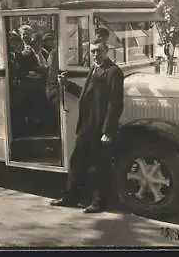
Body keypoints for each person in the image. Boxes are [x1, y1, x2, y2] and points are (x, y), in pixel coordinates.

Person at [51, 36, 125, 213]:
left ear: (106, 51)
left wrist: (108, 130)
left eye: (98, 51)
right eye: (92, 51)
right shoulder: (94, 69)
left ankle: (99, 203)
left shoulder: (113, 72)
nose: (95, 54)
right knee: (77, 161)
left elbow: (115, 104)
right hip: (86, 125)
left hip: (100, 127)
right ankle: (70, 197)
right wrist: (66, 84)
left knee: (99, 166)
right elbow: (86, 95)